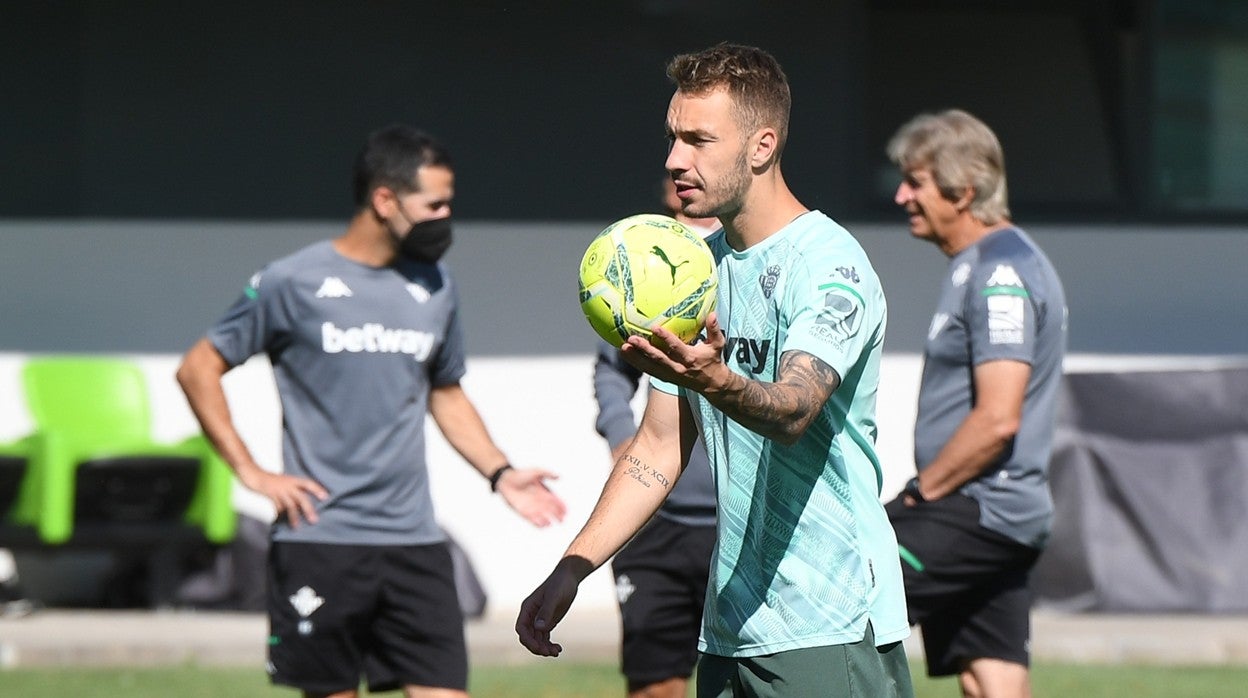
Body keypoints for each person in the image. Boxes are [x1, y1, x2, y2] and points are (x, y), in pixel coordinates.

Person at [518, 43, 913, 698]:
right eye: (674, 137)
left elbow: (794, 408)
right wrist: (573, 567)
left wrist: (717, 381)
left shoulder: (828, 265)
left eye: (699, 140)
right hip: (731, 627)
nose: (676, 159)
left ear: (761, 147)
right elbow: (656, 449)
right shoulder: (696, 271)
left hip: (828, 622)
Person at [177, 124, 567, 698]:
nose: (446, 216)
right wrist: (252, 473)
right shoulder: (292, 281)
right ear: (385, 200)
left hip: (415, 543)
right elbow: (198, 368)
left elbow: (445, 391)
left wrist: (500, 472)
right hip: (320, 542)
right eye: (433, 203)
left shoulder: (436, 286)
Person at [883, 109, 1067, 698]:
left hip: (980, 508)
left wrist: (921, 493)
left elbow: (997, 418)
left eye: (916, 182)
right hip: (990, 510)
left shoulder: (1001, 274)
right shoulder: (976, 266)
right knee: (990, 675)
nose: (901, 195)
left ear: (963, 191)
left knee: (841, 601)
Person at [592, 177, 719, 698]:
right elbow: (610, 372)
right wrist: (623, 440)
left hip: (734, 524)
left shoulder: (744, 267)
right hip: (657, 522)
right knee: (653, 684)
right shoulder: (646, 270)